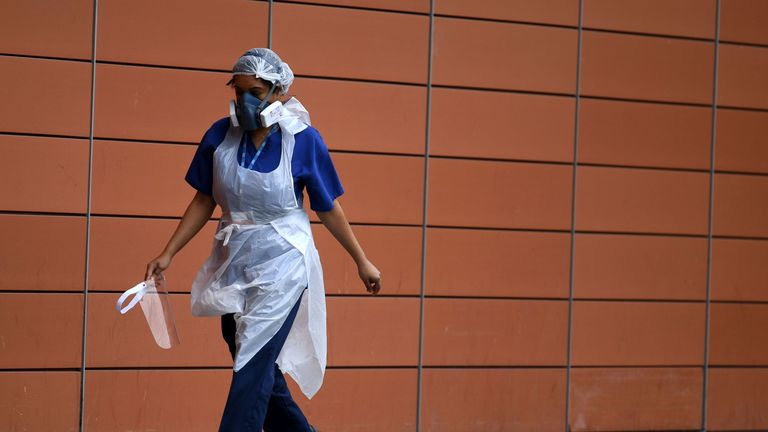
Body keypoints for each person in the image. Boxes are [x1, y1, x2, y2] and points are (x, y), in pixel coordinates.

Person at [145, 48, 381, 432]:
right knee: (252, 363)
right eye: (238, 92)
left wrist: (361, 260)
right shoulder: (220, 134)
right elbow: (204, 198)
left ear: (278, 91)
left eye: (254, 91)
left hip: (285, 262)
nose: (245, 101)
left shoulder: (302, 140)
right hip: (235, 257)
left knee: (252, 361)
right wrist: (168, 253)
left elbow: (327, 207)